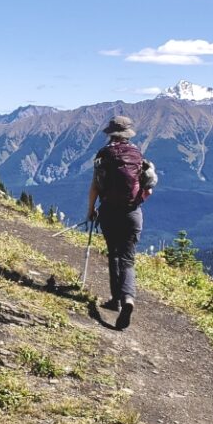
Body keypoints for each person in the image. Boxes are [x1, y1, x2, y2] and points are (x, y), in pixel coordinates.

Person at [87, 115, 147, 330]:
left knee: (113, 254)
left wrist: (91, 210)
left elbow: (95, 186)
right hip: (132, 213)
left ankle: (115, 300)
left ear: (110, 133)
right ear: (128, 134)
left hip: (109, 212)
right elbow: (147, 184)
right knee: (128, 260)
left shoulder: (104, 154)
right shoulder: (137, 154)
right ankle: (128, 298)